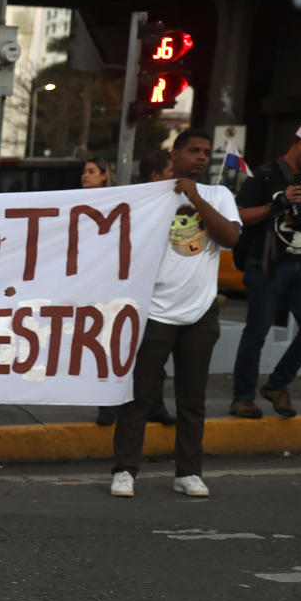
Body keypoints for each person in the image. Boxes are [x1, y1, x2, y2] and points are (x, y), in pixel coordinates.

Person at [109, 128, 239, 499]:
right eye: (193, 151)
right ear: (176, 154)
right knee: (136, 395)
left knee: (191, 398)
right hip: (154, 312)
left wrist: (195, 197)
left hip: (200, 314)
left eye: (205, 152)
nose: (201, 157)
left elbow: (229, 238)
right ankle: (124, 470)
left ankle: (188, 472)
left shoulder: (218, 194)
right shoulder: (151, 196)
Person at [228, 118, 301, 418]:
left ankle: (278, 384)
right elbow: (238, 218)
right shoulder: (263, 177)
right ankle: (243, 396)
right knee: (257, 331)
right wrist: (276, 205)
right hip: (268, 264)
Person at [97, 151, 175, 427]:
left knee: (154, 352)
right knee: (115, 347)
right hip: (121, 286)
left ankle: (155, 404)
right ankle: (108, 407)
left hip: (153, 288)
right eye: (171, 171)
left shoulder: (177, 203)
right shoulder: (131, 201)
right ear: (155, 176)